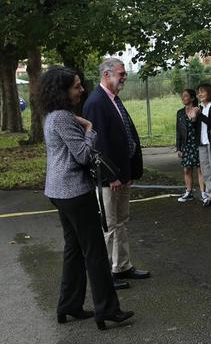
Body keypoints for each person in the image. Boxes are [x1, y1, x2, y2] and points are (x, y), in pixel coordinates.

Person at [41, 66, 134, 330]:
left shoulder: (53, 116)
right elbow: (83, 155)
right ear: (62, 91)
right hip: (74, 192)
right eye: (76, 86)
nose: (82, 90)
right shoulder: (63, 118)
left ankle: (68, 305)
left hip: (59, 192)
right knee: (94, 252)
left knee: (73, 249)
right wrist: (91, 128)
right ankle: (107, 310)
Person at [83, 58, 150, 288]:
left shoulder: (112, 99)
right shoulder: (96, 101)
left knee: (121, 221)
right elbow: (97, 144)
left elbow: (124, 136)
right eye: (121, 73)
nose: (124, 77)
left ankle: (122, 266)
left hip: (121, 175)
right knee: (109, 225)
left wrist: (128, 171)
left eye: (124, 74)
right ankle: (107, 275)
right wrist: (111, 176)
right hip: (109, 179)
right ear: (107, 74)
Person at [176, 88, 205, 202]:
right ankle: (189, 192)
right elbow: (178, 131)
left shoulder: (199, 110)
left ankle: (203, 193)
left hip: (198, 143)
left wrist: (195, 116)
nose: (183, 98)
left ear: (192, 98)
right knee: (187, 169)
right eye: (182, 96)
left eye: (186, 96)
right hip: (186, 144)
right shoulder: (180, 113)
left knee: (200, 169)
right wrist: (178, 148)